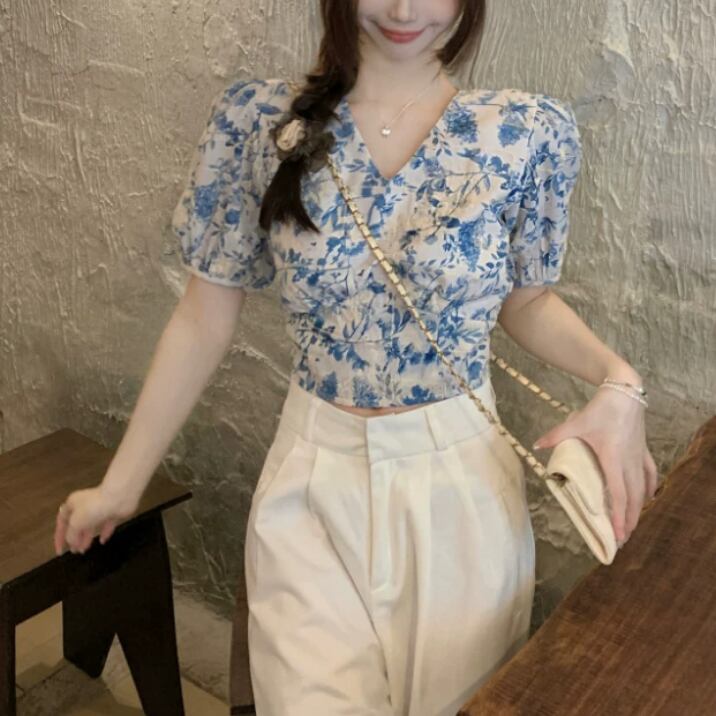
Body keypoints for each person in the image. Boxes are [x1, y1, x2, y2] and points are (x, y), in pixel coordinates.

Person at [54, 1, 658, 714]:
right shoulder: (257, 123)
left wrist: (619, 381)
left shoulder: (524, 133)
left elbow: (525, 303)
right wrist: (121, 486)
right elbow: (202, 316)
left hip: (461, 489)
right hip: (312, 482)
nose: (403, 9)